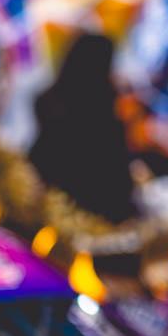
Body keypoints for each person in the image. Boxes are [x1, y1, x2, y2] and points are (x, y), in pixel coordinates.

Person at [29, 33, 137, 223]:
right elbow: (117, 186)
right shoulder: (103, 118)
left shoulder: (49, 103)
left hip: (45, 207)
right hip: (91, 219)